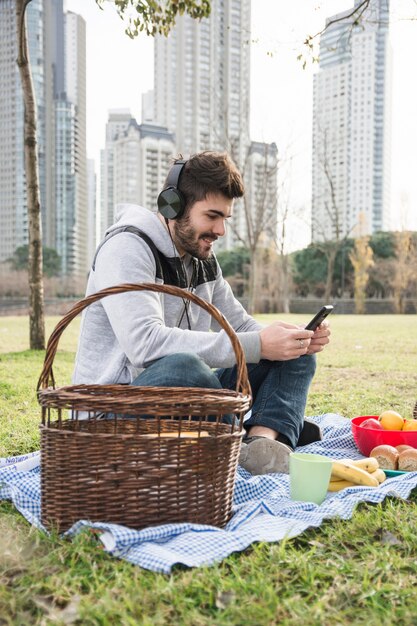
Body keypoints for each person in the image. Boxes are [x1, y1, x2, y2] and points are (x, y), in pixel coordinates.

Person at [73, 151, 331, 474]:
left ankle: (261, 441)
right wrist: (258, 344)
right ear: (174, 205)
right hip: (113, 409)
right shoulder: (128, 247)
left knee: (294, 356)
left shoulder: (203, 259)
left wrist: (293, 339)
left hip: (185, 397)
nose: (221, 230)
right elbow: (144, 345)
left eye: (225, 218)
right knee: (188, 368)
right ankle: (255, 428)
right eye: (212, 216)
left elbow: (241, 325)